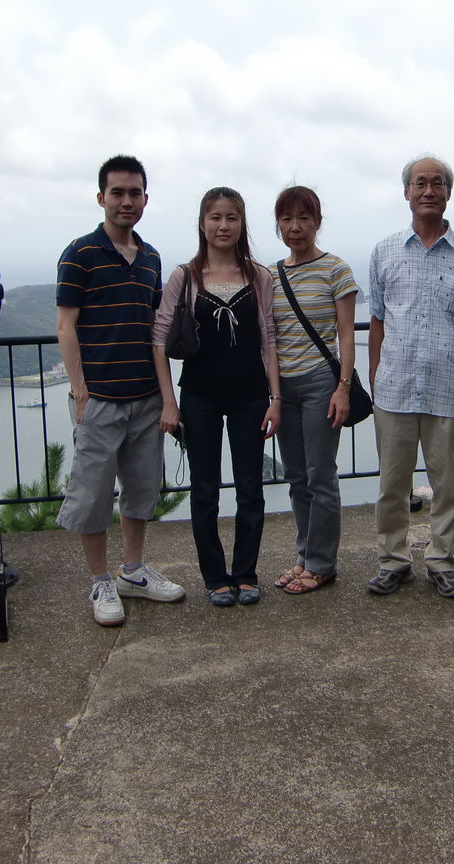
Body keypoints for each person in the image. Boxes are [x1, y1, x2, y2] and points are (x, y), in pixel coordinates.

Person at [55, 155, 186, 627]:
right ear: (101, 198)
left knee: (141, 489)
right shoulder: (79, 253)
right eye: (117, 193)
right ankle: (101, 580)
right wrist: (81, 392)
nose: (126, 201)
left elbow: (156, 331)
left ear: (146, 199)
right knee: (92, 494)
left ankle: (132, 571)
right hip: (101, 400)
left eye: (134, 193)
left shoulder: (150, 258)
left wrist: (166, 397)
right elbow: (66, 327)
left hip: (145, 398)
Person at [367, 155, 454, 598]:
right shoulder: (385, 251)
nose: (429, 190)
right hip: (395, 387)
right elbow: (377, 321)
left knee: (448, 486)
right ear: (406, 192)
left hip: (449, 387)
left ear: (448, 192)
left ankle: (442, 560)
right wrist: (375, 375)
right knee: (392, 485)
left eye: (438, 183)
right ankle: (393, 561)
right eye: (420, 183)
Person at [153, 187, 281, 607]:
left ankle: (245, 573)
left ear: (242, 224)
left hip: (250, 397)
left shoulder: (258, 276)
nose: (223, 226)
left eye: (232, 217)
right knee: (204, 490)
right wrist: (169, 402)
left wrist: (276, 398)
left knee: (251, 488)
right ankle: (214, 577)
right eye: (215, 217)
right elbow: (159, 340)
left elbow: (268, 339)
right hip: (199, 397)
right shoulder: (185, 276)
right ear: (202, 223)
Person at [269, 185, 359, 595]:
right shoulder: (271, 275)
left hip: (321, 382)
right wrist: (272, 394)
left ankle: (322, 564)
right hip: (283, 387)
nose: (295, 227)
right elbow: (270, 337)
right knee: (295, 477)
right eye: (287, 219)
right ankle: (305, 556)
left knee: (320, 475)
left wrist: (343, 388)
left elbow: (346, 334)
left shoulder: (335, 269)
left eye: (304, 218)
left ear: (318, 222)